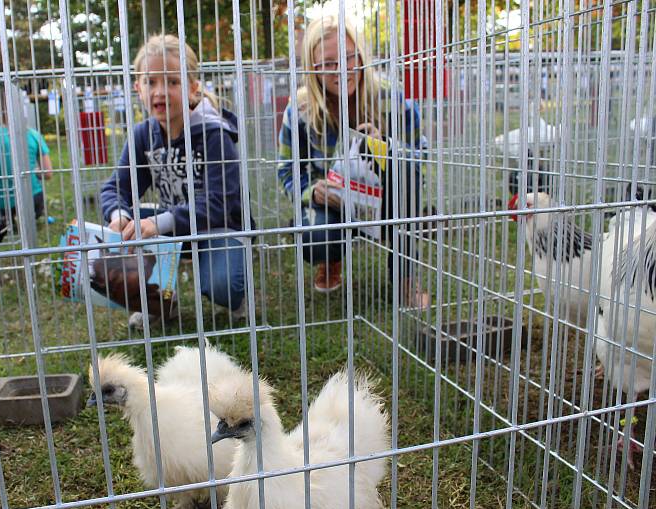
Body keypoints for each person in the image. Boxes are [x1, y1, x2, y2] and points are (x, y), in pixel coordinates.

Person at [276, 16, 430, 308]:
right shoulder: (300, 109)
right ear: (312, 68)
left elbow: (419, 160)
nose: (343, 69)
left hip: (386, 202)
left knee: (407, 178)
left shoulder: (391, 97)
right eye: (329, 63)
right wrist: (311, 192)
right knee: (315, 239)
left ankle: (405, 275)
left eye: (349, 57)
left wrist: (384, 147)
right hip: (334, 204)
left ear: (361, 55)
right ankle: (330, 258)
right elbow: (287, 170)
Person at [100, 34, 246, 328]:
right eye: (151, 82)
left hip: (216, 229)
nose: (160, 92)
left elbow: (221, 203)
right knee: (131, 227)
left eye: (172, 82)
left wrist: (159, 223)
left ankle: (239, 295)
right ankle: (161, 303)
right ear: (137, 87)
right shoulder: (142, 135)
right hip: (170, 229)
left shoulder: (215, 135)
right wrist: (120, 216)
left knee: (222, 286)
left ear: (193, 88)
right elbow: (116, 188)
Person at [0, 92, 53, 235]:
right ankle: (27, 219)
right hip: (33, 201)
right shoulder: (34, 135)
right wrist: (34, 171)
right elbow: (48, 173)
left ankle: (9, 221)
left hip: (4, 202)